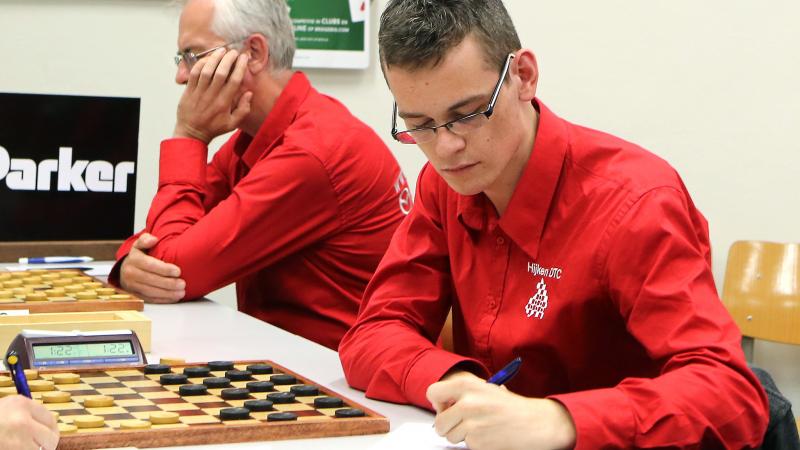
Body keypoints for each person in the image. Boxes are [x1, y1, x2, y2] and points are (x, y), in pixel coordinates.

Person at [338, 0, 769, 448]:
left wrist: (559, 420)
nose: (445, 147)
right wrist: (459, 383)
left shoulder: (635, 202)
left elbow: (732, 397)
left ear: (523, 76)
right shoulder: (445, 186)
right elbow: (372, 334)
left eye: (467, 114)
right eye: (420, 125)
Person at [111, 0, 409, 350]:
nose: (181, 76)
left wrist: (189, 134)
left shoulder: (311, 152)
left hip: (338, 384)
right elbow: (166, 238)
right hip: (289, 364)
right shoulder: (260, 136)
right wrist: (129, 263)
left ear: (253, 52)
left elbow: (175, 271)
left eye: (193, 56)